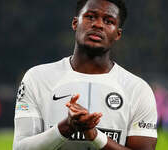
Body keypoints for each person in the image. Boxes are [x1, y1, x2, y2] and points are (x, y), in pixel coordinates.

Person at [13, 0, 157, 149]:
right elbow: (20, 147)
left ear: (117, 34)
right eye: (90, 17)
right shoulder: (37, 79)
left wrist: (95, 136)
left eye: (108, 21)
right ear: (75, 23)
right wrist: (66, 127)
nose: (98, 25)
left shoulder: (138, 90)